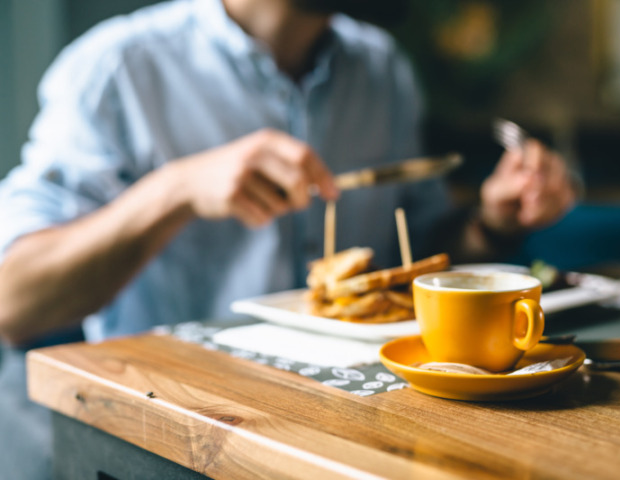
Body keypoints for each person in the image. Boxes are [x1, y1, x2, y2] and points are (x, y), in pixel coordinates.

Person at [0, 0, 575, 477]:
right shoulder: (121, 68)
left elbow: (418, 257)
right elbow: (13, 300)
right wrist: (172, 191)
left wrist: (492, 222)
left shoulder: (381, 68)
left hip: (365, 435)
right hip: (169, 443)